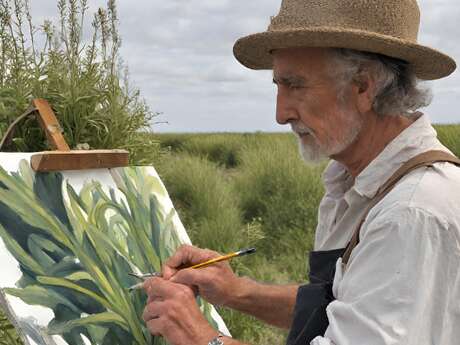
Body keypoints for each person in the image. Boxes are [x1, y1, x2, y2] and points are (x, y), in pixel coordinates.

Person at [142, 0, 460, 344]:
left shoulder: (411, 214)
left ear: (363, 87)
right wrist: (235, 292)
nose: (281, 114)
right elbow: (345, 304)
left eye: (295, 85)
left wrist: (201, 337)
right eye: (278, 85)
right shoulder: (355, 181)